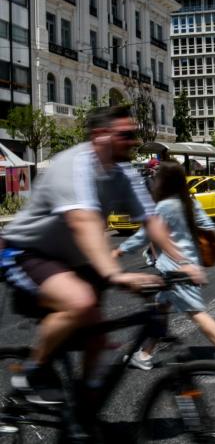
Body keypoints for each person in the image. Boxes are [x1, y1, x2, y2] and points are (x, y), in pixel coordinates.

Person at [0, 104, 202, 404]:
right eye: (126, 134)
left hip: (74, 260)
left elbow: (152, 221)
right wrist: (114, 274)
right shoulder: (74, 165)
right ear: (100, 135)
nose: (133, 140)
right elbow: (84, 222)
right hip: (27, 252)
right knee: (80, 301)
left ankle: (84, 408)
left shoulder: (123, 172)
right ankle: (32, 372)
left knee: (97, 334)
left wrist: (183, 263)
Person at [114, 162, 215, 373]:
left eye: (157, 178)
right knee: (160, 310)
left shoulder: (165, 206)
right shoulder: (189, 203)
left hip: (178, 269)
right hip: (186, 265)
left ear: (163, 182)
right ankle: (145, 355)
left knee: (197, 313)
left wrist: (119, 250)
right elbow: (209, 228)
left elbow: (145, 234)